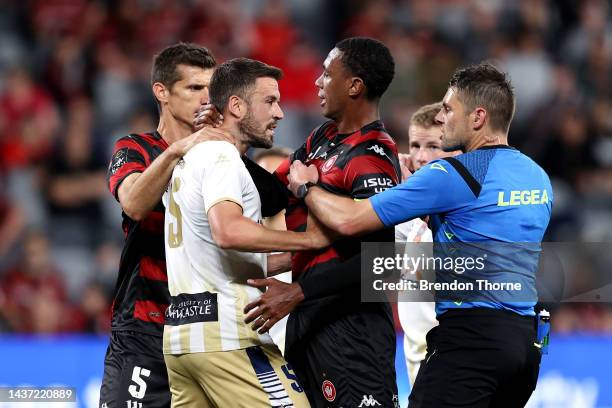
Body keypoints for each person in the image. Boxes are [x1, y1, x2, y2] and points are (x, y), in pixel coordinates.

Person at [287, 63, 552, 407]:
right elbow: (483, 228)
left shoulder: (453, 175)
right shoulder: (538, 177)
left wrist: (307, 187)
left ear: (478, 117)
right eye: (416, 145)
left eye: (447, 109)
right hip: (524, 347)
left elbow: (351, 221)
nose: (441, 117)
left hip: (469, 342)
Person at [244, 37, 401, 408]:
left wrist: (297, 291)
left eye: (328, 74)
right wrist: (220, 143)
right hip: (307, 322)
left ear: (354, 86)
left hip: (351, 328)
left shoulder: (373, 156)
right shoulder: (321, 139)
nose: (317, 82)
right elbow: (270, 193)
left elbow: (381, 263)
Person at [162, 57, 324, 408]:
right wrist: (309, 239)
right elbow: (228, 232)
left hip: (182, 337)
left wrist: (305, 256)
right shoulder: (221, 157)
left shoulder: (190, 161)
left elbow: (224, 254)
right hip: (230, 337)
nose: (280, 112)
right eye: (270, 101)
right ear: (235, 106)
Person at [100, 43, 224, 408]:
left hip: (206, 332)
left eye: (210, 89)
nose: (206, 98)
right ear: (162, 92)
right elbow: (135, 204)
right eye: (194, 88)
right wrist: (178, 149)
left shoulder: (221, 156)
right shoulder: (134, 148)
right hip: (145, 327)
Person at [395, 102, 460, 386]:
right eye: (415, 145)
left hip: (450, 357)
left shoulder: (464, 208)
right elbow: (372, 266)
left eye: (433, 146)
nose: (421, 157)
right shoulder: (408, 214)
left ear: (457, 150)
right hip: (415, 359)